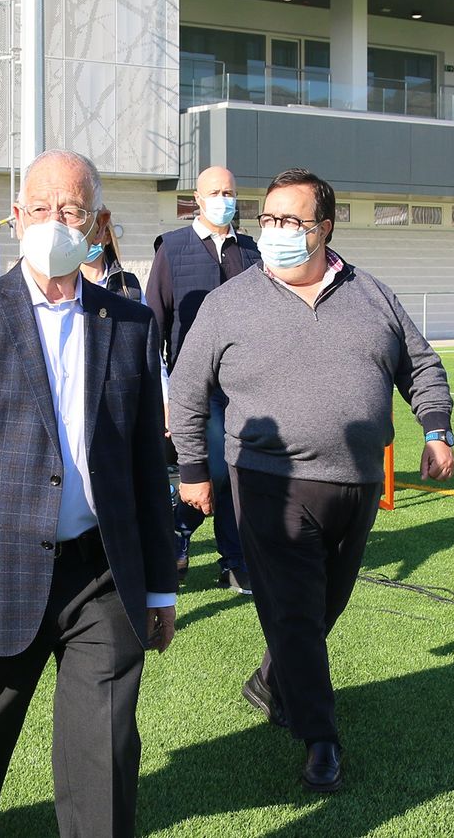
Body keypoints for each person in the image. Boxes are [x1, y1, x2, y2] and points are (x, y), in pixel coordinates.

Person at [0, 150, 177, 838]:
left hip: (102, 575)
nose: (55, 222)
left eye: (73, 210)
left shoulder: (132, 324)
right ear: (17, 216)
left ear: (98, 224)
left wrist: (161, 588)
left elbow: (147, 467)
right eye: (41, 208)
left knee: (104, 751)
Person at [169, 167, 454, 794]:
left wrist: (436, 430)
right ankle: (321, 738)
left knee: (323, 607)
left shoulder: (372, 294)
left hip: (354, 485)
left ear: (323, 228)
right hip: (268, 481)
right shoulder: (230, 303)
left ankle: (270, 681)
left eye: (291, 222)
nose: (275, 232)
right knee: (297, 613)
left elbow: (422, 366)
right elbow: (186, 392)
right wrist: (193, 469)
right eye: (268, 219)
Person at [144, 165, 259, 591]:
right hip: (195, 385)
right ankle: (199, 536)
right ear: (197, 197)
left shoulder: (250, 251)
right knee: (217, 464)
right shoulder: (172, 249)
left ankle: (218, 549)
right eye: (215, 191)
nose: (223, 199)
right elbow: (154, 325)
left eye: (229, 191)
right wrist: (162, 396)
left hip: (244, 384)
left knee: (237, 469)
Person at [80, 209, 143, 301]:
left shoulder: (130, 284)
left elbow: (144, 314)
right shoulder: (64, 283)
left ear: (108, 237)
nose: (87, 241)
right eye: (82, 234)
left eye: (94, 233)